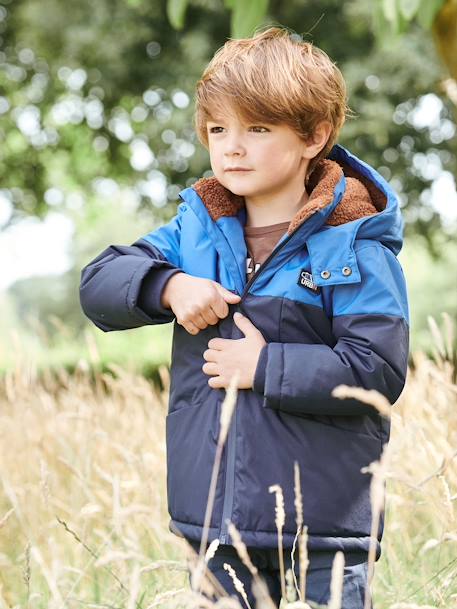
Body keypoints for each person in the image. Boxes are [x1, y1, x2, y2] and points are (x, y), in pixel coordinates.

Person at [79, 26, 410, 608]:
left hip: (324, 530)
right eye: (218, 129)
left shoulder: (356, 247)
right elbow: (98, 283)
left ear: (315, 135)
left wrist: (263, 365)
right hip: (216, 525)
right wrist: (168, 284)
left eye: (257, 128)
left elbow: (376, 370)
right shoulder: (193, 231)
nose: (232, 146)